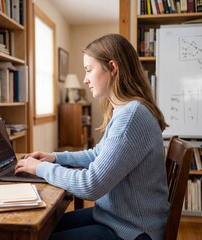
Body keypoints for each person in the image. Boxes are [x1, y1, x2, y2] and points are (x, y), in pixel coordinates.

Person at [15, 33, 170, 240]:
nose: (85, 79)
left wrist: (40, 168)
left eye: (89, 70)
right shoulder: (127, 110)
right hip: (117, 218)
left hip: (132, 231)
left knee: (35, 234)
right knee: (39, 228)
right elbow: (99, 154)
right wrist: (55, 157)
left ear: (113, 68)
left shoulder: (131, 116)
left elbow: (91, 185)